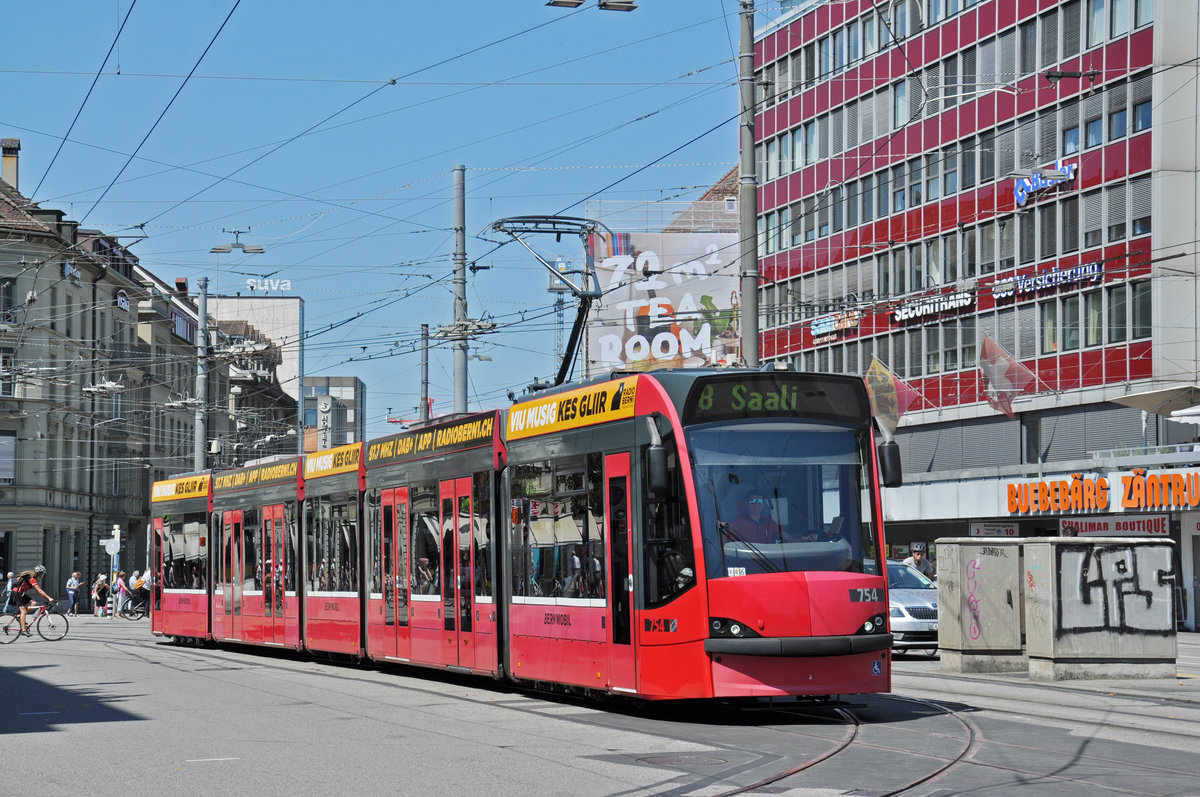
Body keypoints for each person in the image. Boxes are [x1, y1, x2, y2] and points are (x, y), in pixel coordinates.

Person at [9, 565, 55, 636]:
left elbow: (38, 591)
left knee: (33, 603)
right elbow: (39, 590)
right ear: (39, 573)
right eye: (42, 573)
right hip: (16, 593)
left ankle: (20, 617)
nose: (43, 575)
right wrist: (49, 598)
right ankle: (23, 630)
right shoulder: (32, 579)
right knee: (23, 611)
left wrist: (44, 600)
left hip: (21, 594)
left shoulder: (34, 579)